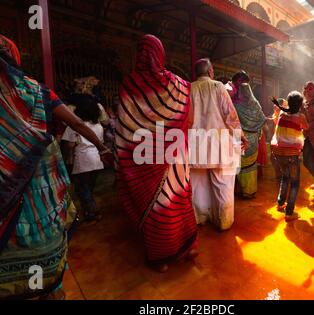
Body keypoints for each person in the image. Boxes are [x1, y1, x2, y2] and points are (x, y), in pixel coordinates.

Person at [0, 35, 112, 299]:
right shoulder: (37, 92)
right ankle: (50, 287)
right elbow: (78, 125)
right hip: (40, 188)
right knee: (47, 232)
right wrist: (102, 147)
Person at [115, 35, 198, 273]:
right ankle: (189, 246)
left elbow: (123, 127)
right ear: (161, 55)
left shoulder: (130, 84)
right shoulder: (180, 85)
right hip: (176, 156)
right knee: (178, 199)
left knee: (157, 207)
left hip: (142, 160)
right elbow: (189, 121)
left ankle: (162, 258)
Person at [189, 58, 247, 231]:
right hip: (219, 145)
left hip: (195, 145)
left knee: (197, 184)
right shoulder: (218, 87)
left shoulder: (188, 89)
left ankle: (199, 218)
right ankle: (223, 221)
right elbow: (230, 116)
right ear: (210, 71)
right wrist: (240, 136)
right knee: (223, 184)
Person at [62, 94, 105, 222]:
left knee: (83, 189)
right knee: (88, 188)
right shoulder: (99, 127)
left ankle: (92, 212)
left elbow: (69, 145)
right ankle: (90, 211)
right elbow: (100, 143)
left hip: (82, 162)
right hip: (97, 162)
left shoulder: (74, 126)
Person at [271, 92, 308, 222]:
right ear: (300, 105)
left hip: (278, 152)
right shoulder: (301, 116)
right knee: (295, 183)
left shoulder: (282, 115)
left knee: (285, 177)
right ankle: (289, 212)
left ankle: (280, 203)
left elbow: (277, 122)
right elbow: (306, 127)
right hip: (292, 154)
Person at [231, 71, 266, 198]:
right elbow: (262, 120)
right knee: (250, 167)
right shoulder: (255, 104)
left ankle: (240, 191)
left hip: (240, 139)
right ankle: (249, 191)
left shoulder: (233, 104)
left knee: (239, 166)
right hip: (253, 139)